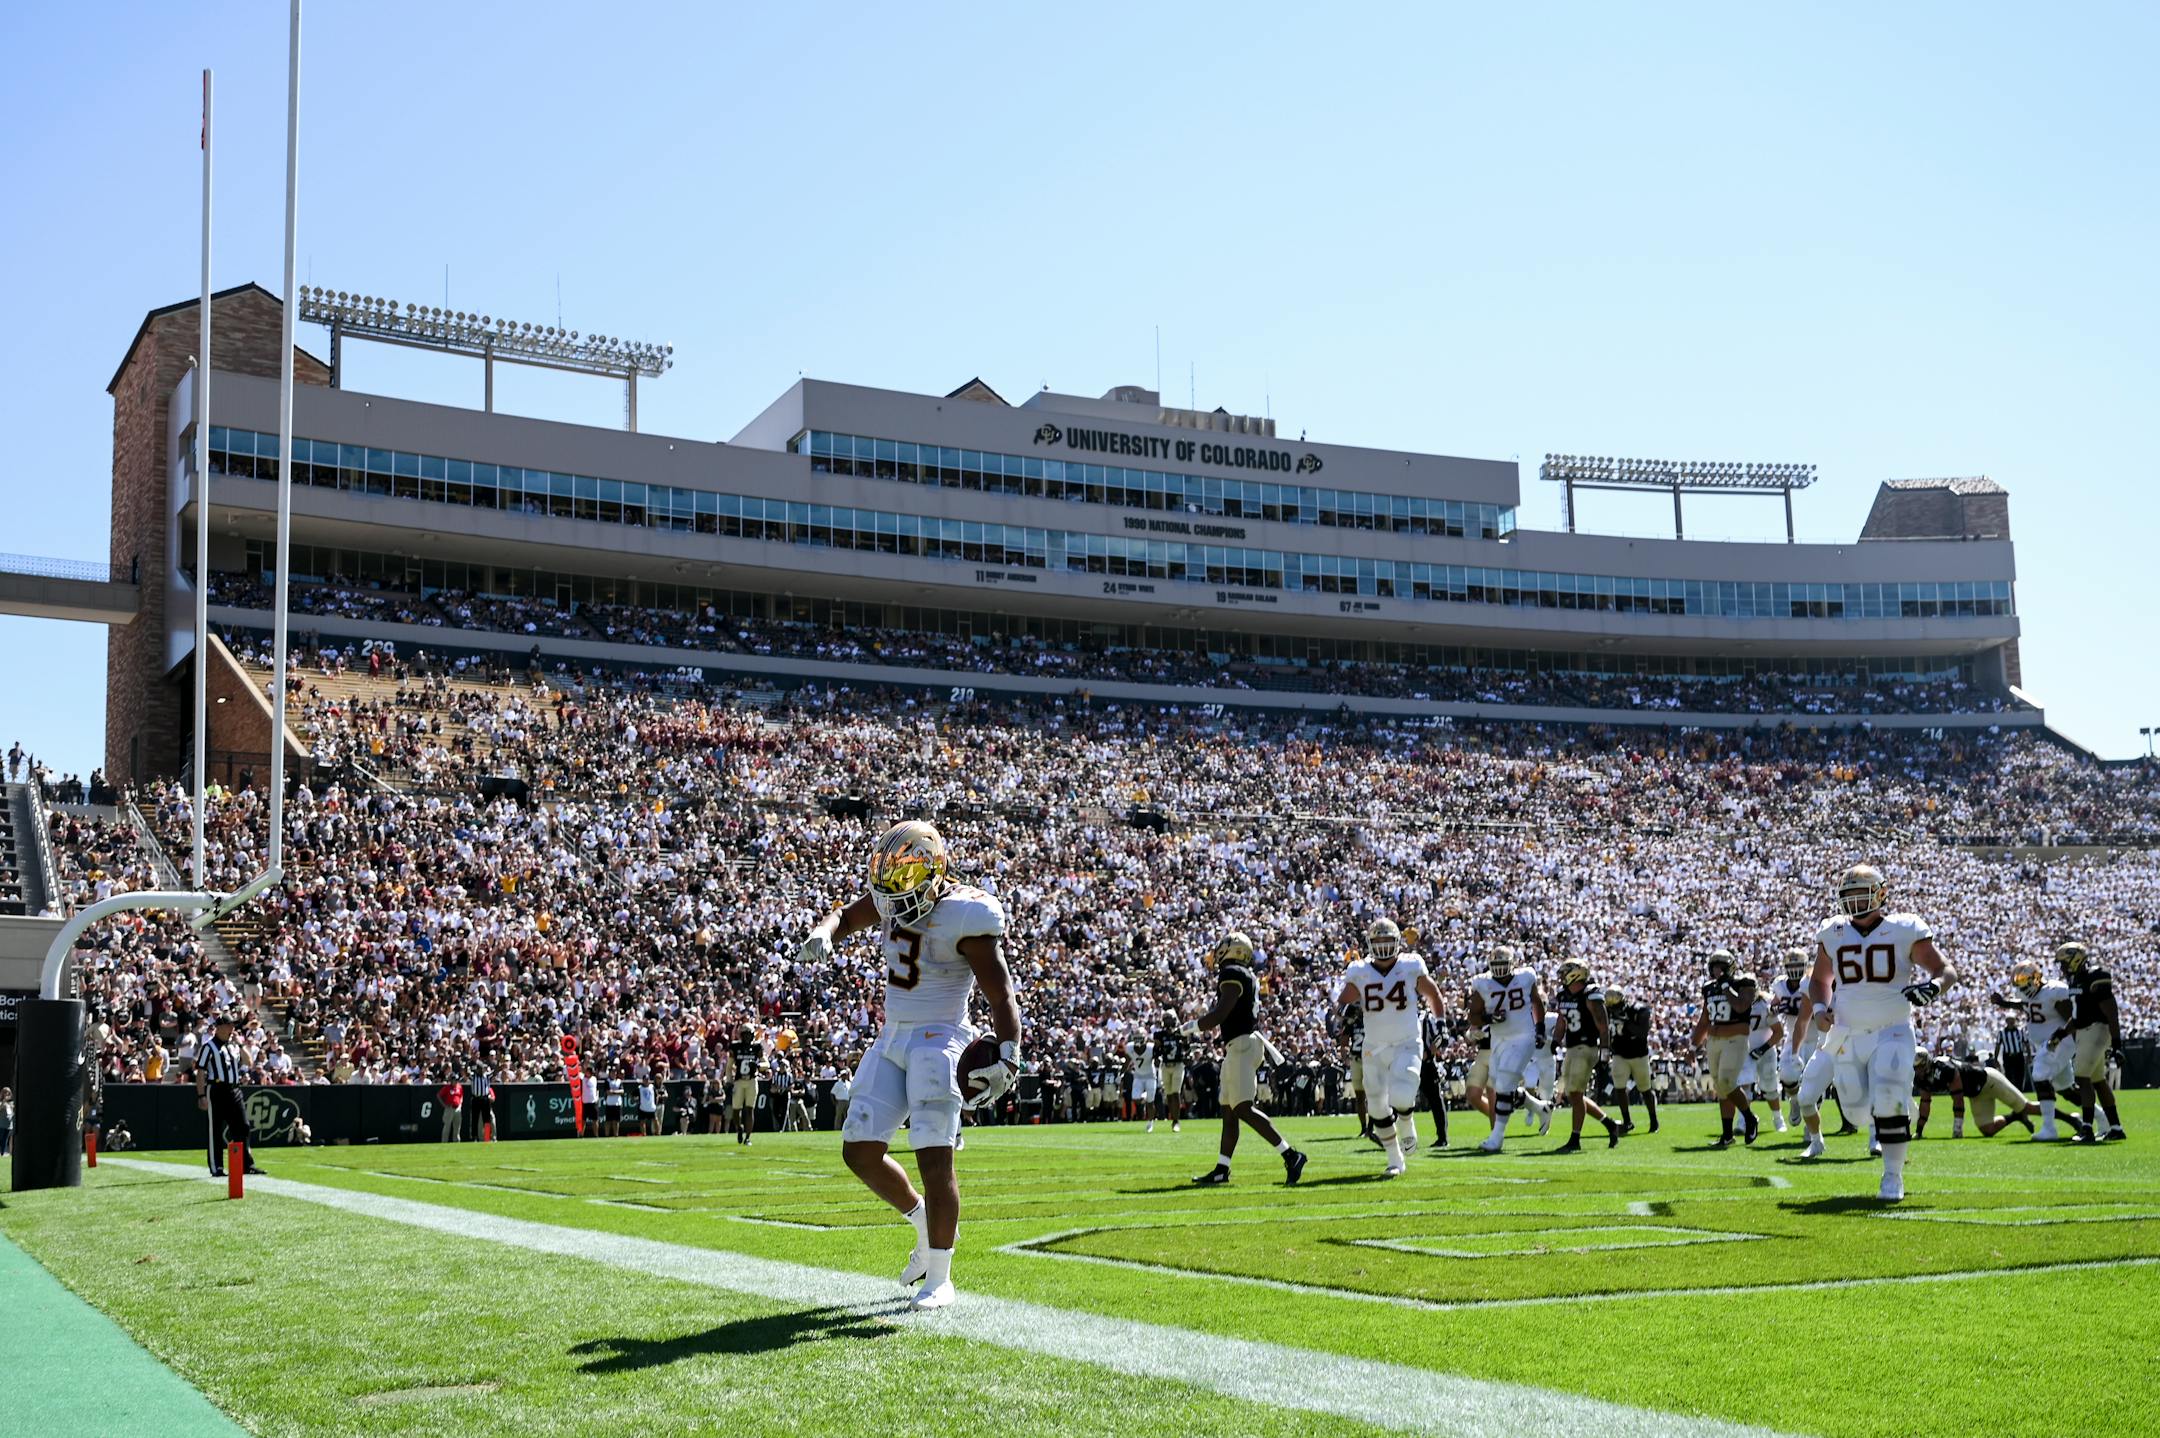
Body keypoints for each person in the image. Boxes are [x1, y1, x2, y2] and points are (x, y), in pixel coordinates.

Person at [796, 819, 1022, 1310]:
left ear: (933, 871)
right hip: (893, 1035)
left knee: (934, 1156)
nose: (894, 901)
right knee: (858, 1149)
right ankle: (921, 1221)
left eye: (904, 885)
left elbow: (1000, 992)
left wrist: (1010, 1052)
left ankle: (941, 1275)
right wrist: (824, 931)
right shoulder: (892, 894)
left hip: (940, 1037)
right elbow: (846, 915)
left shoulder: (966, 913)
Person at [1796, 863, 1955, 1203]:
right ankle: (1897, 1110)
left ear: (1881, 894)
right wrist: (1821, 1010)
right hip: (1847, 1032)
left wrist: (1935, 986)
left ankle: (1892, 1176)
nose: (1854, 902)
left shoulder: (1903, 928)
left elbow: (1945, 970)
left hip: (1892, 1030)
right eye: (1848, 896)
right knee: (1855, 1112)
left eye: (1861, 894)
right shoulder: (1833, 932)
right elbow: (1820, 980)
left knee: (1886, 1097)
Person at [1186, 930, 1308, 1187]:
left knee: (1242, 1107)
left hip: (1242, 1044)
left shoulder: (1232, 973)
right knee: (1229, 1111)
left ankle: (1291, 1155)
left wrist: (1190, 1027)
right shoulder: (1246, 974)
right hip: (1239, 1044)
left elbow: (1220, 1014)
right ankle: (1222, 1169)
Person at [1332, 918, 1445, 1176]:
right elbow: (1342, 1002)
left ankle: (1406, 1121)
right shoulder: (1359, 970)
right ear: (1370, 943)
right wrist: (1344, 1012)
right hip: (1374, 1047)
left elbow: (1433, 994)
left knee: (1403, 1095)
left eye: (1387, 940)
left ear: (1397, 942)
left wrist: (1441, 1024)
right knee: (1376, 1107)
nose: (1383, 946)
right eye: (1378, 941)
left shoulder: (1410, 965)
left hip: (1406, 1041)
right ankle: (1395, 1160)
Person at [1995, 960, 2085, 1142]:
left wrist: (2074, 1043)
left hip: (2058, 1041)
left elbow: (2074, 1017)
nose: (2020, 985)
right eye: (2018, 982)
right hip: (2049, 1044)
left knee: (2040, 1074)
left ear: (2035, 978)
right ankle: (2101, 1118)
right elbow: (2025, 1005)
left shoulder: (2054, 991)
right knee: (2066, 1090)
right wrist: (2004, 1003)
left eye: (2023, 980)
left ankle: (2049, 1128)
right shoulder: (2032, 996)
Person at [1469, 946, 1544, 1153]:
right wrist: (1487, 1018)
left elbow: (1537, 1003)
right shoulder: (1482, 983)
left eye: (1504, 965)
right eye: (1496, 965)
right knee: (1502, 1084)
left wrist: (1540, 1028)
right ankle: (1540, 1107)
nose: (1500, 969)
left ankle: (1497, 1138)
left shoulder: (1526, 977)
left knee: (1503, 1084)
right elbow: (1472, 1015)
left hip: (1523, 1036)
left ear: (1512, 964)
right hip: (1499, 1040)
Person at [2055, 942, 2126, 1142]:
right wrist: (2062, 1033)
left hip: (2096, 1030)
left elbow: (2111, 1013)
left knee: (2082, 1078)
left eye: (2063, 963)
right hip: (2086, 1031)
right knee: (2098, 1080)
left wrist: (2117, 1045)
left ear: (2075, 959)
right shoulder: (2076, 981)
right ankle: (2116, 1127)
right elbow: (2078, 1017)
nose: (2061, 968)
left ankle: (2086, 1129)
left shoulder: (2095, 976)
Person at [1549, 962, 1623, 1152]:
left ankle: (1575, 1139)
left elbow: (1603, 1026)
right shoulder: (1563, 994)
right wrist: (1555, 1041)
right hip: (1572, 1048)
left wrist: (1605, 1053)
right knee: (1573, 1095)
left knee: (1575, 1092)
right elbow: (1561, 1021)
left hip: (1587, 1047)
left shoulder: (1591, 994)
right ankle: (1609, 1124)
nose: (1562, 976)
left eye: (1565, 973)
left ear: (1575, 974)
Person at [1691, 950, 1759, 1148]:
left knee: (1727, 1082)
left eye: (1720, 966)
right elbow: (1704, 1020)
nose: (1716, 970)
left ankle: (1749, 1117)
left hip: (1736, 1039)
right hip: (1713, 1040)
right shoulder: (1708, 988)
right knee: (1721, 1088)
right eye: (1714, 967)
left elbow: (1740, 1007)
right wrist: (1693, 1045)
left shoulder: (1744, 982)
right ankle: (1727, 1135)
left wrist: (1727, 986)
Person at [1913, 1054, 2049, 1138]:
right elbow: (1925, 1103)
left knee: (2027, 1107)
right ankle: (2016, 1116)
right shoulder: (1920, 1078)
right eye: (1915, 1067)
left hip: (1989, 1081)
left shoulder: (1944, 1068)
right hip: (1976, 1094)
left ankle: (2067, 1117)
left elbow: (1958, 1099)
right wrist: (1919, 1131)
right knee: (1987, 1130)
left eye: (1919, 1067)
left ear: (1926, 1063)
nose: (1917, 1071)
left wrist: (1957, 1129)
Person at [196, 1014, 264, 1178]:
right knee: (215, 1130)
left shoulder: (234, 1046)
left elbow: (248, 1062)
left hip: (235, 1089)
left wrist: (240, 1044)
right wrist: (201, 1095)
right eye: (228, 1025)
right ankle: (216, 1167)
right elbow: (200, 1071)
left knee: (243, 1126)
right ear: (219, 1027)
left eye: (233, 1025)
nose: (232, 1028)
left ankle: (246, 1165)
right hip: (217, 1089)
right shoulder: (209, 1046)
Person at [1604, 987, 1658, 1134]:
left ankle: (1654, 1120)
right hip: (1619, 1054)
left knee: (1645, 1089)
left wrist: (1625, 1021)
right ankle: (1627, 1122)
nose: (1612, 1009)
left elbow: (1642, 1033)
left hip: (1639, 1054)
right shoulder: (1608, 1011)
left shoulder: (1638, 1010)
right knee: (1619, 1088)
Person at [1739, 976, 1788, 1132]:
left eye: (1750, 991)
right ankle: (1743, 1121)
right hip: (1744, 1051)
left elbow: (1778, 1033)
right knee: (1744, 1085)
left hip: (1766, 1050)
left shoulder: (1765, 1004)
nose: (1747, 994)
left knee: (1770, 1086)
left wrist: (1763, 1049)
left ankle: (1778, 1119)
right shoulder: (1735, 1005)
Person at [727, 1025, 766, 1144]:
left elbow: (766, 1063)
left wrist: (759, 1066)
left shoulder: (756, 1047)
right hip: (739, 1081)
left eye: (750, 1034)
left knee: (750, 1109)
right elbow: (729, 1067)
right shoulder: (736, 1047)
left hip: (752, 1080)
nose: (748, 1037)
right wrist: (729, 1081)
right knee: (736, 1110)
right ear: (742, 1035)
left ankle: (748, 1137)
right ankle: (739, 1128)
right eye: (746, 1035)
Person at [1153, 1013, 1188, 1133]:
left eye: (1169, 1019)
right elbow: (1156, 1050)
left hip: (1178, 1065)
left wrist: (1185, 1048)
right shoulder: (1159, 1035)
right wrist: (1156, 1057)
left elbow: (1187, 1046)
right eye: (1166, 1020)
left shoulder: (1179, 1032)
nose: (1168, 1022)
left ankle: (1176, 1121)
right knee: (1168, 1095)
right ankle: (1173, 1118)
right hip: (1165, 1065)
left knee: (1175, 1093)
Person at [1125, 1034, 1161, 1131]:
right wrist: (1121, 1074)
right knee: (1135, 1098)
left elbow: (1157, 1061)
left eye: (1140, 1038)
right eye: (1136, 1038)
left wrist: (1157, 1054)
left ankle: (1150, 1123)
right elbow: (1127, 1061)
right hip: (1138, 1076)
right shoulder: (1129, 1047)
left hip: (1150, 1076)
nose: (1138, 1041)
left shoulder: (1151, 1048)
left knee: (1150, 1102)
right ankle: (1145, 1096)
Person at [437, 1076, 463, 1142]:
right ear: (451, 1080)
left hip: (458, 1109)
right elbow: (439, 1095)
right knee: (447, 1126)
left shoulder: (459, 1087)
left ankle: (456, 1141)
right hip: (449, 1109)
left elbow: (461, 1096)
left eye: (457, 1080)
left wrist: (460, 1104)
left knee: (457, 1127)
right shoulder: (447, 1087)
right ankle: (444, 1141)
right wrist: (444, 1105)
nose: (456, 1081)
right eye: (454, 1080)